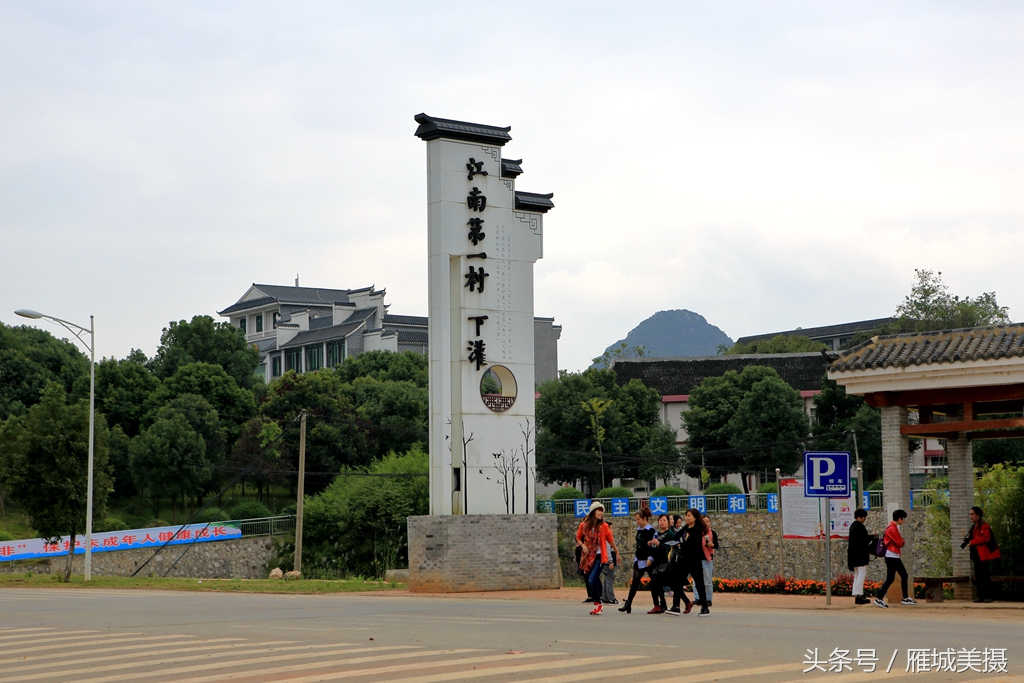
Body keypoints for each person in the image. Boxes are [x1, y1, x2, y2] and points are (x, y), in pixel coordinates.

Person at [576, 501, 614, 615]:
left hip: (599, 556)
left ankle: (598, 602)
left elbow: (610, 540)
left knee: (592, 579)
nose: (600, 513)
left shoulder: (604, 526)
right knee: (591, 579)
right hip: (588, 557)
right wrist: (583, 546)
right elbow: (578, 538)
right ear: (593, 512)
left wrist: (616, 552)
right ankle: (598, 603)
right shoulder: (584, 525)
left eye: (602, 511)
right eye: (598, 510)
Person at [874, 509, 916, 608]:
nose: (904, 521)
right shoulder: (892, 528)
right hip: (892, 555)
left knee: (892, 578)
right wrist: (902, 541)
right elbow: (899, 542)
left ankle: (881, 598)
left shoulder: (892, 526)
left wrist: (901, 540)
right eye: (903, 519)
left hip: (892, 555)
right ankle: (881, 598)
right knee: (902, 576)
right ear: (899, 518)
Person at [618, 507, 656, 614]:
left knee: (654, 583)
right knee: (635, 582)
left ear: (644, 518)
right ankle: (628, 603)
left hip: (648, 559)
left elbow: (651, 546)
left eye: (638, 519)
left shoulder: (651, 530)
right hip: (639, 558)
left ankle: (658, 604)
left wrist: (650, 558)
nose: (637, 521)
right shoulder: (638, 530)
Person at [962, 506, 1001, 603]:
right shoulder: (974, 527)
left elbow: (986, 538)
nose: (971, 516)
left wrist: (973, 542)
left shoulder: (984, 525)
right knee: (978, 575)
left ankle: (989, 596)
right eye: (970, 514)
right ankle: (982, 596)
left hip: (984, 554)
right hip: (977, 555)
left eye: (972, 514)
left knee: (985, 575)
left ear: (978, 515)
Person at [645, 514, 676, 614]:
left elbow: (670, 549)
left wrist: (659, 544)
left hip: (666, 564)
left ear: (668, 522)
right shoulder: (657, 534)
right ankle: (659, 605)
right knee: (655, 583)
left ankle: (661, 605)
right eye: (660, 520)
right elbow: (654, 550)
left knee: (665, 584)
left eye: (664, 520)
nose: (662, 522)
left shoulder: (670, 534)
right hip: (657, 563)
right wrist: (651, 544)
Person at [693, 514, 718, 607]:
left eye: (708, 521)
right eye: (704, 521)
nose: (706, 523)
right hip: (697, 559)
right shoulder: (697, 533)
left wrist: (712, 545)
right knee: (696, 580)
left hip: (707, 559)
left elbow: (717, 545)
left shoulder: (712, 533)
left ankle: (708, 599)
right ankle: (698, 598)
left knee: (707, 581)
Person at [848, 509, 871, 605]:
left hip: (853, 555)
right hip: (860, 555)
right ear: (859, 517)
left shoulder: (852, 526)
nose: (864, 519)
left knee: (857, 575)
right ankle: (859, 595)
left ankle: (856, 593)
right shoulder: (859, 527)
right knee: (861, 574)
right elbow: (863, 540)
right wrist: (872, 537)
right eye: (863, 517)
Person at [601, 520, 621, 605]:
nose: (612, 530)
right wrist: (610, 561)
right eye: (611, 528)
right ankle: (611, 599)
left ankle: (605, 597)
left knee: (606, 579)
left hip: (606, 560)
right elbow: (607, 550)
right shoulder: (607, 538)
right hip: (609, 560)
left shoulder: (604, 537)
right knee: (610, 580)